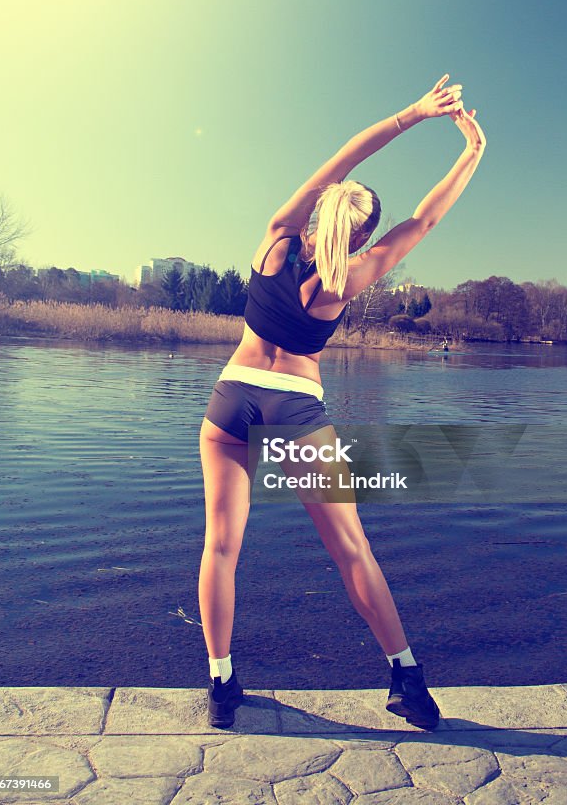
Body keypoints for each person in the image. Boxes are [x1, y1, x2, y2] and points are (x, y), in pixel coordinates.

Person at [200, 72, 487, 729]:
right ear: (357, 236)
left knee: (220, 547)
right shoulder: (348, 278)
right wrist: (469, 151)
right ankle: (405, 680)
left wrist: (413, 113)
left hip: (232, 400)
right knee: (351, 550)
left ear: (317, 209)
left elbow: (347, 156)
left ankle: (221, 687)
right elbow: (426, 217)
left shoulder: (274, 238)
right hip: (296, 411)